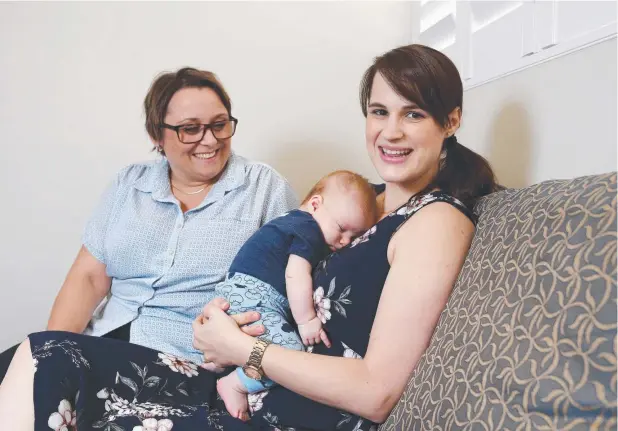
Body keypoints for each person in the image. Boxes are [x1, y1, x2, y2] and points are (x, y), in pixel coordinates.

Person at [0, 44, 498, 431]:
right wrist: (226, 326)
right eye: (379, 111)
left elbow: (376, 391)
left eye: (413, 114)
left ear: (451, 120)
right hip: (246, 383)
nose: (390, 132)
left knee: (45, 361)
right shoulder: (359, 203)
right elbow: (269, 268)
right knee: (44, 354)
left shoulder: (435, 221)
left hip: (275, 409)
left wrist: (242, 351)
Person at [0, 67, 298, 382]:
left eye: (219, 125)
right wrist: (51, 353)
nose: (209, 140)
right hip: (101, 341)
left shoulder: (266, 189)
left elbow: (287, 285)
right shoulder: (128, 183)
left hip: (182, 359)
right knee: (21, 371)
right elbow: (88, 278)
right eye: (190, 129)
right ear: (157, 134)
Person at [209, 170, 378, 420]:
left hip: (240, 292)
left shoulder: (291, 222)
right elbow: (295, 275)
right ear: (315, 204)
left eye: (353, 237)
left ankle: (218, 363)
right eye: (342, 229)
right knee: (288, 350)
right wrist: (306, 320)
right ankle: (236, 382)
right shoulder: (308, 228)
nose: (344, 241)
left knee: (262, 344)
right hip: (257, 297)